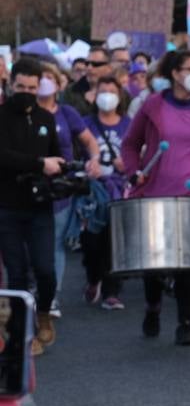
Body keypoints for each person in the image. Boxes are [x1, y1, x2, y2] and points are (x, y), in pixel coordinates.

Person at [122, 50, 190, 346]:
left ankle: (185, 323)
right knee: (155, 263)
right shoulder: (152, 106)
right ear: (175, 73)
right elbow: (130, 144)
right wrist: (134, 172)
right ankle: (153, 307)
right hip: (155, 193)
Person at [0, 58, 65, 357]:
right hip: (7, 205)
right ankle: (23, 332)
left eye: (32, 87)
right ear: (11, 85)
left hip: (40, 206)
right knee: (16, 273)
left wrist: (65, 170)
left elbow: (56, 156)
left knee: (45, 270)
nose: (26, 92)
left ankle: (43, 313)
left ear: (41, 86)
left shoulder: (46, 118)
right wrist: (39, 164)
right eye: (21, 87)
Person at [37, 63, 102, 308]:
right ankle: (33, 289)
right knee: (31, 243)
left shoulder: (67, 113)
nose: (44, 82)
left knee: (54, 244)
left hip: (60, 189)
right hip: (29, 187)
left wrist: (94, 159)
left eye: (48, 77)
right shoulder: (26, 113)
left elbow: (89, 141)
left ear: (58, 83)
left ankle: (51, 296)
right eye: (39, 78)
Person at [79, 74, 130, 310]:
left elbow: (140, 152)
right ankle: (93, 277)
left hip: (119, 190)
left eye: (112, 91)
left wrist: (127, 164)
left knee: (115, 241)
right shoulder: (85, 123)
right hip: (93, 191)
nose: (107, 96)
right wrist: (89, 166)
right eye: (102, 91)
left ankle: (112, 291)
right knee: (92, 242)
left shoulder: (128, 124)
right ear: (94, 95)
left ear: (119, 96)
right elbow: (76, 152)